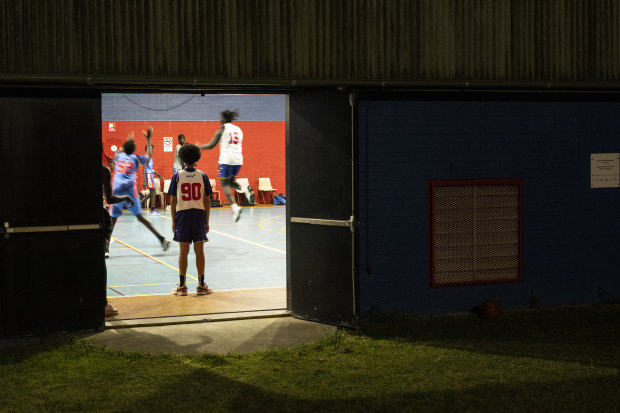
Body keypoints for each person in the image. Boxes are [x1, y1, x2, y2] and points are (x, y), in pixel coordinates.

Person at [107, 129, 170, 256]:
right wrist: (148, 138)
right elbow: (148, 156)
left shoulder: (118, 155)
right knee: (140, 218)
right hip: (130, 191)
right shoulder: (135, 158)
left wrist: (127, 141)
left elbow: (119, 150)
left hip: (118, 191)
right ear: (134, 149)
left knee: (112, 220)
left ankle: (105, 247)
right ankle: (161, 239)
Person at [167, 143, 214, 296]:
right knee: (199, 250)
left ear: (182, 158)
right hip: (198, 215)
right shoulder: (203, 175)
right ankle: (201, 285)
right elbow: (207, 201)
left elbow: (173, 201)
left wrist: (173, 221)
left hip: (182, 215)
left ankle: (182, 286)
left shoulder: (177, 176)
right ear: (197, 158)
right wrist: (207, 221)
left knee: (183, 250)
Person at [197, 109, 250, 222]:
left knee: (224, 185)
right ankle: (244, 188)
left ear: (225, 118)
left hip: (226, 160)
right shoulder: (238, 129)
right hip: (238, 160)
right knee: (230, 182)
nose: (219, 119)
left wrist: (199, 146)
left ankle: (235, 207)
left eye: (221, 117)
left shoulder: (222, 129)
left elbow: (211, 145)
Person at [102, 164, 134, 317]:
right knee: (99, 263)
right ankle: (103, 304)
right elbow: (109, 198)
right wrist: (126, 197)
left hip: (78, 217)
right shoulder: (103, 170)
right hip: (99, 218)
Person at [140, 143, 165, 216]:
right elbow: (144, 169)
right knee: (153, 192)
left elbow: (152, 169)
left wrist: (159, 176)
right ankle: (152, 210)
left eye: (152, 148)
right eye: (150, 148)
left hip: (151, 176)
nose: (152, 150)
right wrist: (144, 181)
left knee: (152, 193)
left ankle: (139, 203)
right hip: (149, 176)